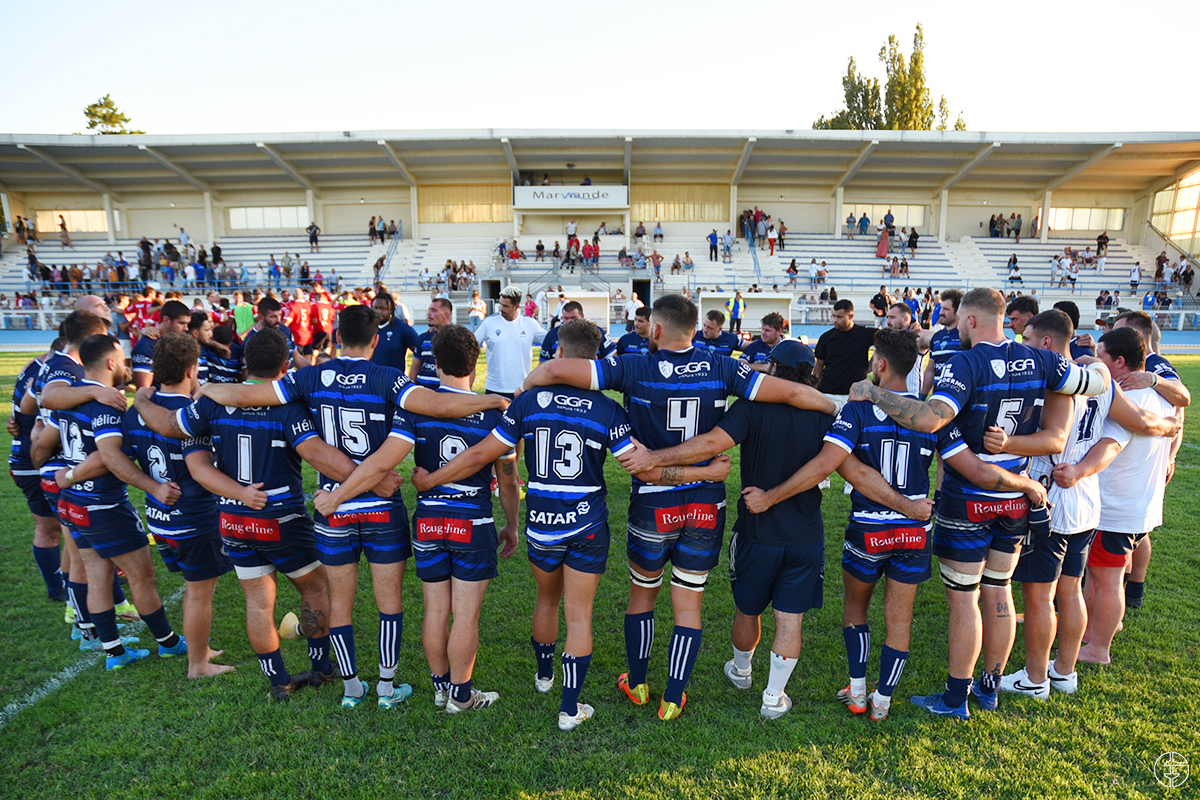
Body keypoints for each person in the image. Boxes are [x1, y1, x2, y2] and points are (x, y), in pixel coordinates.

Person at [520, 294, 836, 721]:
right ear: (694, 329)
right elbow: (795, 394)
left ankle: (637, 682)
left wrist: (527, 388)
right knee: (689, 602)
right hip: (706, 506)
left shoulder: (634, 366)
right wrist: (827, 404)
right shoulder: (724, 367)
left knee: (642, 595)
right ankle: (673, 696)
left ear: (655, 330)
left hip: (653, 503)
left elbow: (554, 368)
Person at [848, 287, 1109, 719]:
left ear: (969, 320)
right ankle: (990, 687)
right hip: (1014, 502)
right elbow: (1093, 387)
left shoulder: (966, 363)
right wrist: (1095, 361)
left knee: (965, 599)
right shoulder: (1044, 361)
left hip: (970, 499)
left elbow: (931, 418)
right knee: (1000, 590)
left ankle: (956, 698)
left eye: (956, 322)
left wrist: (873, 394)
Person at [410, 320, 643, 730]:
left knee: (546, 602)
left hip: (542, 522)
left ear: (557, 355)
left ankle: (543, 675)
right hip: (587, 522)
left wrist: (432, 479)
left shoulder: (527, 404)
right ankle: (570, 710)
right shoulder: (609, 408)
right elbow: (638, 463)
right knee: (581, 616)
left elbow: (482, 454)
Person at [132, 328, 356, 701]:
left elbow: (168, 426)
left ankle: (278, 682)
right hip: (280, 517)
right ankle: (320, 669)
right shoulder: (287, 405)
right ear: (285, 366)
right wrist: (369, 477)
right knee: (315, 587)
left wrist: (141, 399)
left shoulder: (211, 403)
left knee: (258, 601)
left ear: (244, 362)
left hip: (233, 521)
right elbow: (316, 453)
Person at [314, 325, 519, 714]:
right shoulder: (493, 411)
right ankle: (461, 694)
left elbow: (386, 459)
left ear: (434, 364)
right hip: (471, 522)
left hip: (427, 523)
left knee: (436, 609)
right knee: (466, 614)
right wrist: (512, 523)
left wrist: (341, 493)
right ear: (475, 365)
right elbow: (508, 481)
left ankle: (441, 687)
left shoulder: (414, 408)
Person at [998, 311, 1177, 698]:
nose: (1024, 346)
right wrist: (1170, 426)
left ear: (1045, 342)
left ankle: (1034, 678)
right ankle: (1064, 673)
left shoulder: (1054, 381)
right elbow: (1141, 422)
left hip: (1053, 496)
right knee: (1070, 590)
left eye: (1028, 339)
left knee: (1040, 595)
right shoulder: (1100, 380)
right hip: (1086, 501)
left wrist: (1004, 443)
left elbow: (1053, 440)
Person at [45, 334, 186, 670]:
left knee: (97, 574)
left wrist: (70, 477)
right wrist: (151, 486)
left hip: (73, 504)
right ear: (111, 363)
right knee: (142, 576)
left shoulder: (69, 398)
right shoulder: (105, 404)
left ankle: (114, 652)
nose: (126, 364)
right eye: (122, 358)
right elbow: (107, 456)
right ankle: (168, 642)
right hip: (103, 505)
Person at [120, 334, 235, 679]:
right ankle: (198, 664)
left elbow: (121, 459)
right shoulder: (194, 413)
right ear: (191, 368)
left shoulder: (134, 412)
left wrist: (153, 486)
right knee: (200, 593)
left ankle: (200, 648)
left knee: (192, 586)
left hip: (160, 517)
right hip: (195, 518)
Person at [1071, 327, 1177, 668]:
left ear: (1119, 362)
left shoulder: (1126, 400)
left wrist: (1077, 472)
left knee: (1107, 579)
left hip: (1116, 508)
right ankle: (1091, 633)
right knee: (1101, 577)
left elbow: (1110, 447)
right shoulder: (1160, 395)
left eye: (1102, 358)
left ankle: (1098, 647)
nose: (1097, 364)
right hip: (1138, 504)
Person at [475, 286, 547, 400]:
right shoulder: (489, 323)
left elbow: (551, 340)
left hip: (522, 389)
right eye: (500, 304)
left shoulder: (530, 323)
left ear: (516, 306)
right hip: (494, 389)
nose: (501, 308)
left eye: (506, 306)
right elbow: (469, 343)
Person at [813, 300, 877, 409]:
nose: (835, 320)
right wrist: (814, 390)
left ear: (851, 316)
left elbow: (887, 342)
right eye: (834, 316)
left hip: (855, 395)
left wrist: (872, 364)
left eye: (840, 317)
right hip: (828, 393)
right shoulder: (826, 338)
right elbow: (818, 367)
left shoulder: (865, 334)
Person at [130, 300, 192, 388]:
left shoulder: (180, 342)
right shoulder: (146, 345)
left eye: (187, 324)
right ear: (166, 320)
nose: (186, 328)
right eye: (181, 323)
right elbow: (144, 389)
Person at [539, 301, 615, 363]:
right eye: (566, 318)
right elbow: (542, 365)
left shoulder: (597, 333)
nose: (569, 321)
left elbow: (613, 360)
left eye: (573, 318)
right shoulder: (552, 335)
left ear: (582, 316)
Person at [370, 293, 419, 372]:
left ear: (391, 310)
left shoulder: (402, 327)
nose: (378, 311)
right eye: (375, 308)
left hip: (393, 380)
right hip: (369, 380)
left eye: (382, 308)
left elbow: (419, 351)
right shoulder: (365, 327)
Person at [410, 298, 453, 388]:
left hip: (445, 394)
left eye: (433, 310)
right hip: (423, 393)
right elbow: (415, 368)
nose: (429, 314)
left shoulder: (457, 338)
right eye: (429, 310)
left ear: (446, 314)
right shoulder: (423, 338)